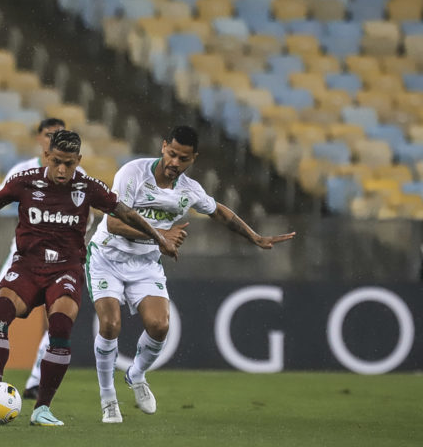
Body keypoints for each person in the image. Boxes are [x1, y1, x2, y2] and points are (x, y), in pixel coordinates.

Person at [0, 130, 177, 426]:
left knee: (59, 328)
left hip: (65, 271)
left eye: (69, 163)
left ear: (78, 160)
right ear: (47, 156)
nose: (62, 170)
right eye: (56, 161)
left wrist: (158, 237)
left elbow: (126, 213)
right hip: (27, 266)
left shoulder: (88, 186)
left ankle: (42, 408)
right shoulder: (25, 181)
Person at [87, 126, 295, 423]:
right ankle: (108, 398)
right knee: (110, 324)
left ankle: (136, 375)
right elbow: (114, 224)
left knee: (159, 326)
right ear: (162, 147)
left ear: (193, 158)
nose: (175, 162)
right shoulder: (132, 173)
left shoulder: (189, 191)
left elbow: (220, 211)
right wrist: (161, 236)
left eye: (183, 158)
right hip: (107, 257)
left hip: (145, 265)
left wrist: (255, 237)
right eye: (171, 154)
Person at [0, 118, 69, 401]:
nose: (54, 139)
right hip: (23, 256)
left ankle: (35, 383)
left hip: (61, 261)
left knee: (56, 320)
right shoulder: (23, 170)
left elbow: (89, 211)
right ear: (40, 140)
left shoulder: (76, 174)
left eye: (60, 134)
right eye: (49, 135)